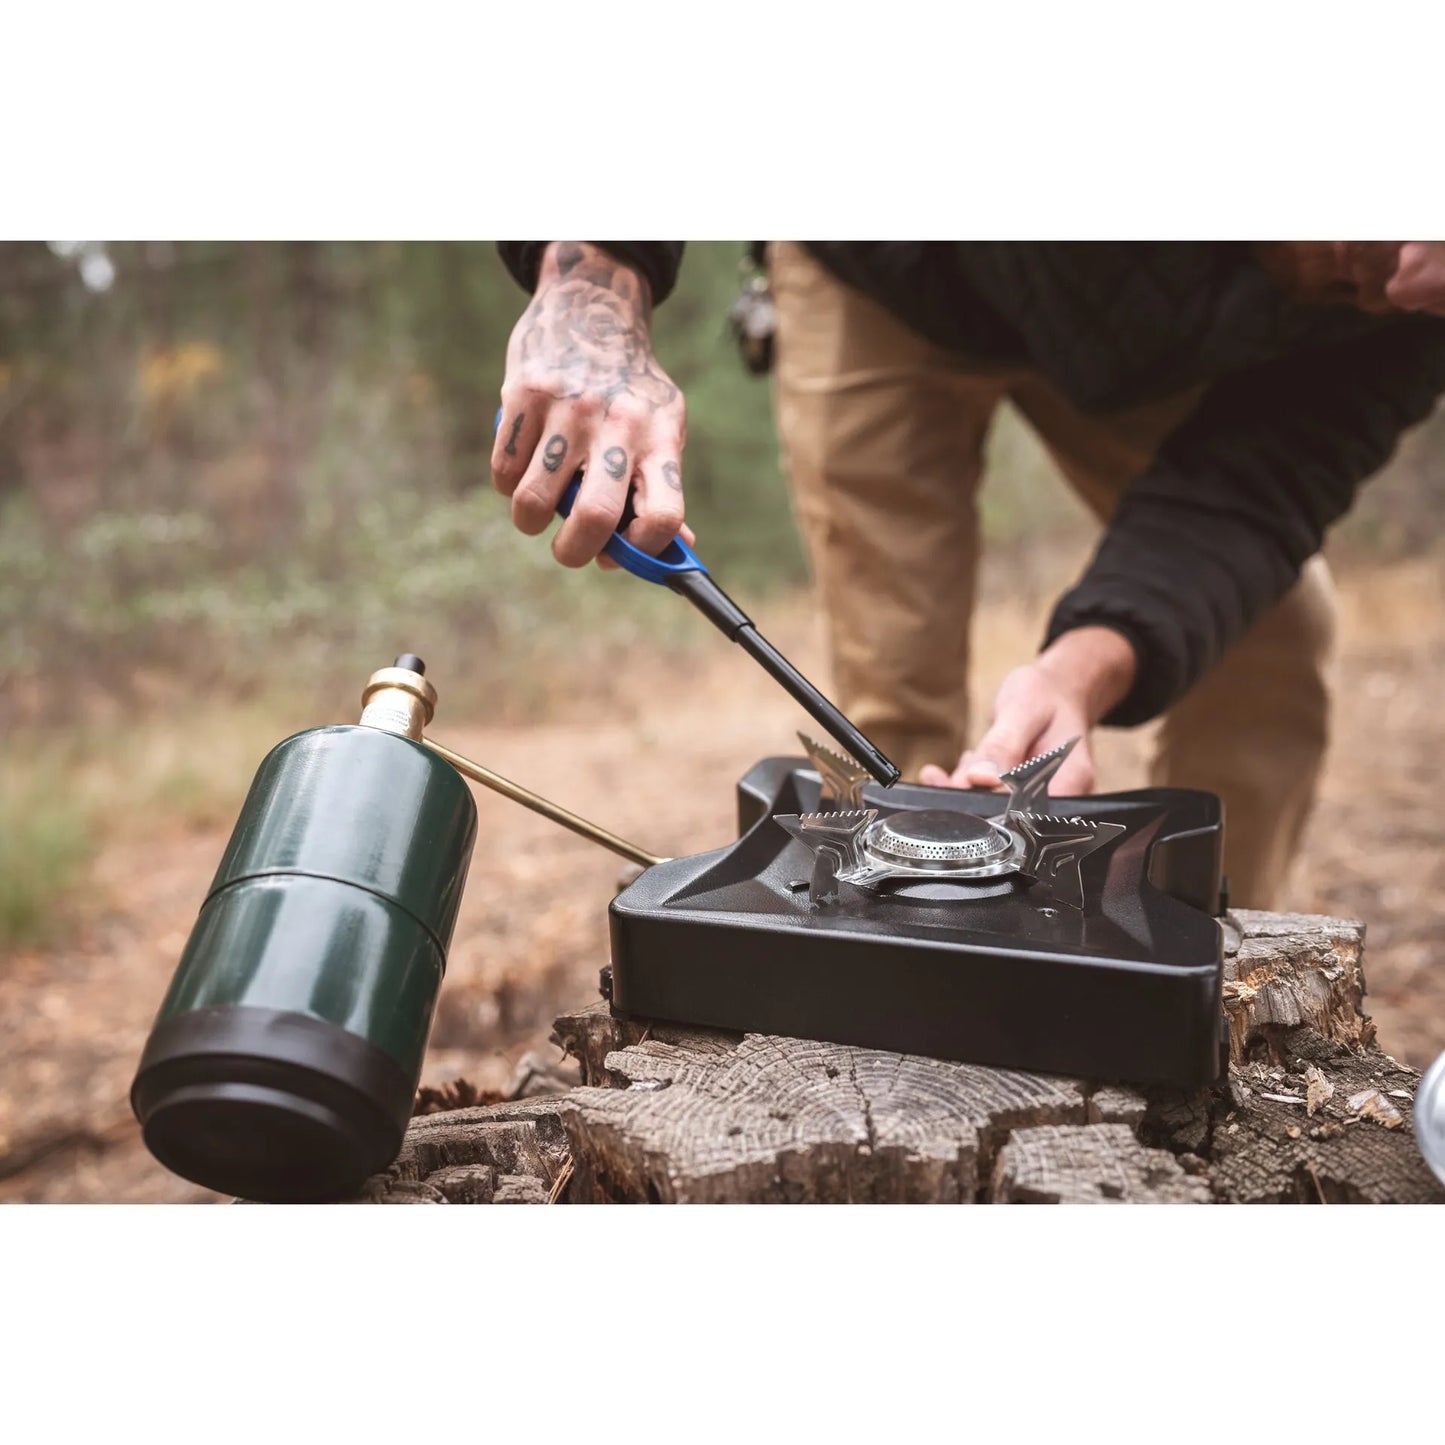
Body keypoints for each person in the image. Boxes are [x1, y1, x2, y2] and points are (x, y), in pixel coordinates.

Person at [491, 241, 1445, 908]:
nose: (1409, 276)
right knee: (894, 704)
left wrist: (1075, 673)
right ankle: (892, 1014)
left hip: (1158, 346)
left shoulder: (1416, 294)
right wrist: (595, 283)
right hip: (886, 274)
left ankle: (1198, 980)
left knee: (1272, 640)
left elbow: (1248, 494)